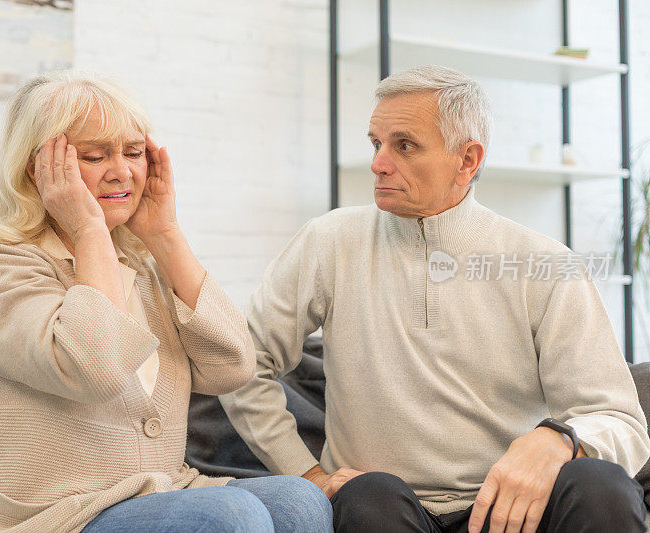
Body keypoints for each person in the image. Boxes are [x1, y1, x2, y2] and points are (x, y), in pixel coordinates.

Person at [219, 65, 650, 533]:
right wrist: (307, 475)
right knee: (370, 496)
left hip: (511, 511)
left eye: (404, 145)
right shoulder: (329, 242)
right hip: (382, 506)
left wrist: (559, 440)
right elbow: (241, 365)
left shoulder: (544, 262)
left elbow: (620, 421)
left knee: (603, 487)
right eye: (375, 143)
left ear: (467, 160)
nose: (378, 163)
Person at [0, 70, 332, 532]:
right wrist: (88, 230)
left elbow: (233, 368)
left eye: (134, 153)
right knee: (229, 515)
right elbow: (92, 368)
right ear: (36, 170)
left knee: (299, 500)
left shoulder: (142, 267)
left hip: (152, 496)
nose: (122, 171)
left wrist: (165, 234)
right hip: (45, 517)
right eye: (95, 156)